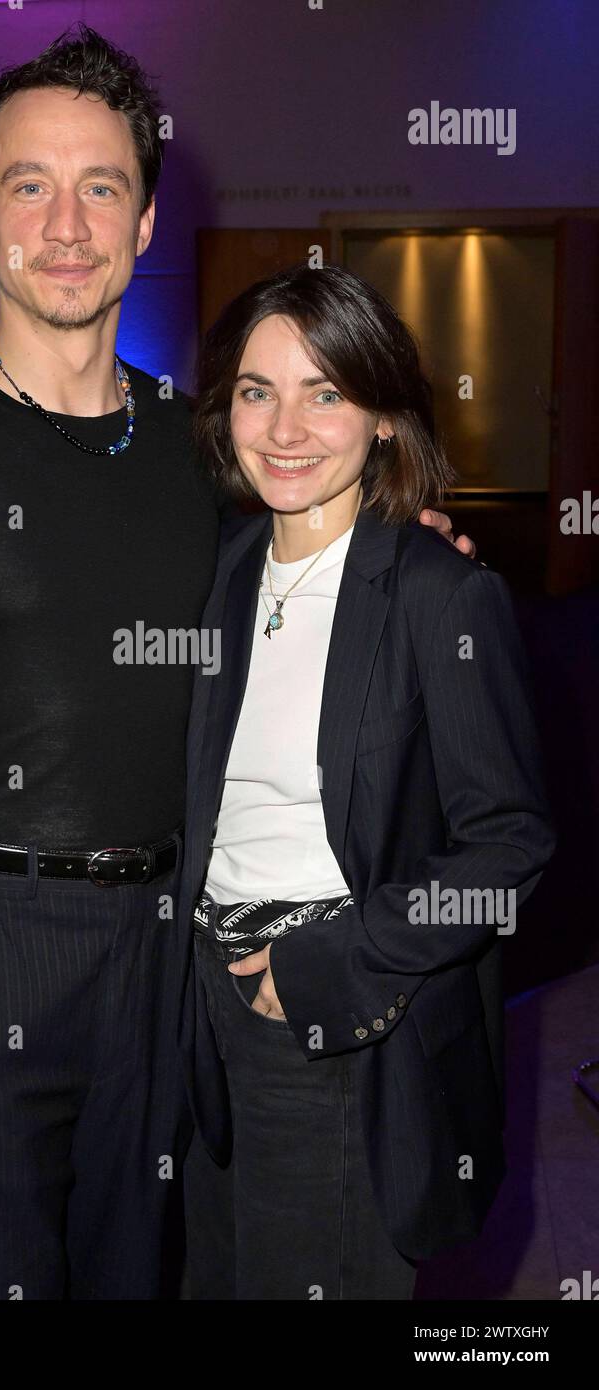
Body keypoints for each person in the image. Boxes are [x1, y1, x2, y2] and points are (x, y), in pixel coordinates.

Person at [0, 24, 475, 1301]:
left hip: (163, 951)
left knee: (135, 1280)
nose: (69, 221)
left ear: (145, 221)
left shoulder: (198, 454)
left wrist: (405, 534)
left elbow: (303, 563)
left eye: (104, 187)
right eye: (31, 184)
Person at [172, 263, 556, 1299]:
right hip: (197, 1002)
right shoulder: (217, 569)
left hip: (338, 1014)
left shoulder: (443, 591)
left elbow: (510, 846)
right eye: (258, 391)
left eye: (325, 391)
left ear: (384, 414)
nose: (285, 427)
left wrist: (332, 961)